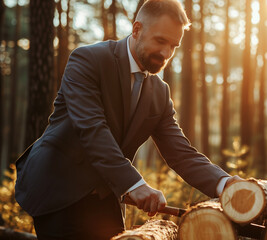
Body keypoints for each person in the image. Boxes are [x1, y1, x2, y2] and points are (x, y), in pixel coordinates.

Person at [15, 0, 241, 239]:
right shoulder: (87, 60)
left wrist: (224, 183)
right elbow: (92, 129)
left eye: (174, 46)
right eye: (160, 41)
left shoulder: (160, 93)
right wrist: (135, 184)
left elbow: (180, 152)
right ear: (136, 30)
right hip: (58, 189)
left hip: (106, 196)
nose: (166, 53)